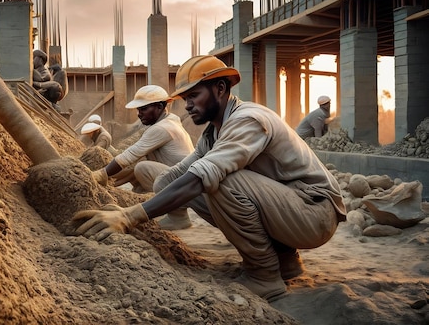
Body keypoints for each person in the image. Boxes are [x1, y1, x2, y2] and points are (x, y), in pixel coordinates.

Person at [73, 55, 346, 301]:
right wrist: (142, 197)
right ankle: (285, 261)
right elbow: (181, 172)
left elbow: (201, 174)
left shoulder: (247, 119)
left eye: (194, 95)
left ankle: (264, 276)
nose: (188, 105)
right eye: (185, 99)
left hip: (315, 213)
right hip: (294, 211)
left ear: (220, 88)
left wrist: (130, 216)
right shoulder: (212, 134)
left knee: (220, 179)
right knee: (184, 180)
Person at [90, 85, 195, 230]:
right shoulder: (168, 122)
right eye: (138, 110)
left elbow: (130, 155)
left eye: (143, 109)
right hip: (184, 181)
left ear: (159, 106)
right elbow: (130, 156)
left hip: (186, 187)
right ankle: (141, 202)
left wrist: (102, 174)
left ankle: (179, 217)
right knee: (137, 169)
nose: (139, 114)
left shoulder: (162, 128)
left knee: (142, 167)